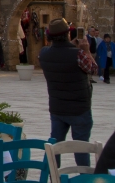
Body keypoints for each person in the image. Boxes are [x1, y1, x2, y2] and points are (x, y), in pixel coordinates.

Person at [40, 17, 98, 168]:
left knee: (55, 144)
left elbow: (60, 55)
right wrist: (86, 50)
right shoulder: (79, 54)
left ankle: (54, 177)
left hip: (57, 107)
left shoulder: (44, 53)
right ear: (68, 34)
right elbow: (93, 69)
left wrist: (71, 46)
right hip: (79, 108)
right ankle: (84, 178)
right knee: (81, 146)